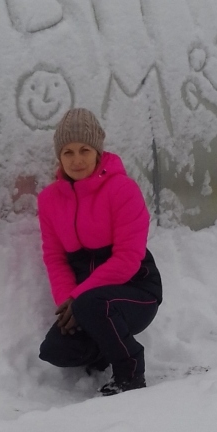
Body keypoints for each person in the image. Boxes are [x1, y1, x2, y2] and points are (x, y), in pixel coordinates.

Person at [37, 108, 162, 395]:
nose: (77, 160)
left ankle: (130, 371)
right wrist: (67, 303)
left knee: (93, 304)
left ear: (98, 152)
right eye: (68, 152)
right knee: (56, 350)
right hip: (87, 301)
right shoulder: (49, 201)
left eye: (84, 150)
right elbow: (55, 258)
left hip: (136, 291)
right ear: (59, 157)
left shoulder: (122, 190)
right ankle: (107, 348)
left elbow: (128, 259)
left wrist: (78, 298)